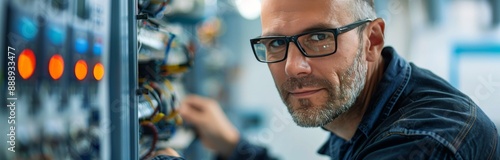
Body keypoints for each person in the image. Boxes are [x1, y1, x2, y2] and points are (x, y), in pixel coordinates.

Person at [155, 0, 500, 159]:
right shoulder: (366, 112)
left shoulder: (423, 141)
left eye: (319, 38)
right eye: (276, 43)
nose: (294, 67)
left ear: (372, 41)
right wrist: (235, 146)